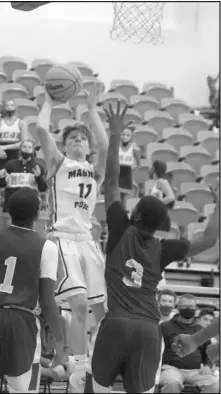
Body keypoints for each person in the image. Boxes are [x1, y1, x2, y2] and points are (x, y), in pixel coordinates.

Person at [88, 101, 219, 394]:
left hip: (116, 323)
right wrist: (218, 205)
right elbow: (210, 239)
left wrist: (115, 133)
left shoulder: (121, 229)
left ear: (134, 214)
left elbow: (111, 182)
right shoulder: (164, 248)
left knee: (97, 389)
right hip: (149, 329)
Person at [36, 88, 108, 393]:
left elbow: (105, 144)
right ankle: (80, 368)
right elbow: (41, 129)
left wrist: (92, 110)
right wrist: (49, 104)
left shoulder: (96, 170)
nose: (78, 141)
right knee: (78, 306)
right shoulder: (58, 163)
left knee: (105, 313)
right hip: (62, 240)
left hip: (88, 242)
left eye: (82, 139)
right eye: (72, 139)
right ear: (64, 146)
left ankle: (101, 360)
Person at [0, 187, 66, 393]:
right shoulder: (47, 247)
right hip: (22, 325)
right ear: (37, 214)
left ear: (9, 212)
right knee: (24, 390)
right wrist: (60, 341)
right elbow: (48, 302)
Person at [159, 293, 219, 393]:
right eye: (185, 306)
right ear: (178, 308)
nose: (189, 309)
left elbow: (207, 351)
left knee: (215, 384)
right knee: (172, 383)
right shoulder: (165, 327)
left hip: (195, 372)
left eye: (191, 306)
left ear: (195, 308)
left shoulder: (200, 329)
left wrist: (207, 366)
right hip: (171, 369)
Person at [0, 139, 47, 211]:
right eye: (24, 147)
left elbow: (43, 189)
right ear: (20, 149)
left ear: (33, 150)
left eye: (29, 147)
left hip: (30, 206)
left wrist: (38, 177)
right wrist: (1, 177)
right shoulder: (10, 164)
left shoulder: (38, 167)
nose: (26, 149)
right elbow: (1, 185)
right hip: (11, 205)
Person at [0, 99, 28, 171]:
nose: (10, 107)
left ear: (15, 107)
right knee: (0, 179)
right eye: (7, 105)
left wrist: (5, 147)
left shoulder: (21, 123)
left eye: (12, 105)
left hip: (16, 155)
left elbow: (24, 142)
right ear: (4, 108)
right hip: (1, 155)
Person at [149, 160, 175, 231]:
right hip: (157, 217)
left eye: (152, 168)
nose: (150, 170)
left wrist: (157, 204)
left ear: (155, 169)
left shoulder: (162, 182)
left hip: (162, 218)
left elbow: (171, 197)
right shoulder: (157, 182)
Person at [118, 126, 141, 208]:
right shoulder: (116, 147)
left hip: (127, 174)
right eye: (123, 134)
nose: (125, 136)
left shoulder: (135, 149)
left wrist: (132, 172)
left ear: (131, 137)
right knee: (116, 200)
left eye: (128, 135)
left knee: (124, 200)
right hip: (117, 174)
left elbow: (138, 164)